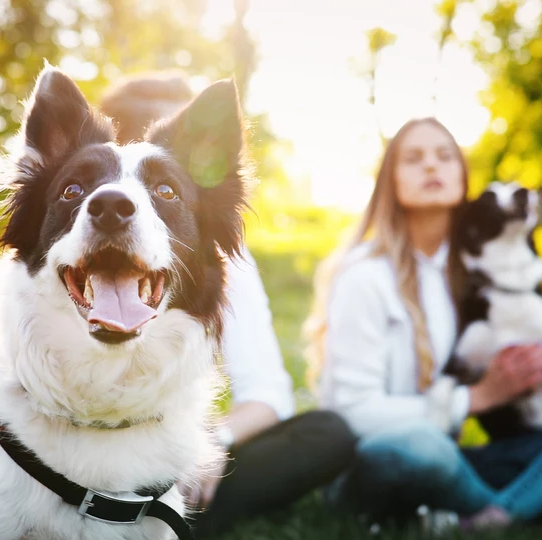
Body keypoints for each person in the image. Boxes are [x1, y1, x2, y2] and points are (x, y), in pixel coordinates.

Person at [304, 117, 542, 529]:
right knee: (423, 447)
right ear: (390, 182)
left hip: (447, 457)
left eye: (445, 156)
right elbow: (351, 415)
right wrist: (477, 398)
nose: (431, 166)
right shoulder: (365, 276)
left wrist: (527, 370)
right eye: (414, 158)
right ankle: (512, 505)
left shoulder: (465, 278)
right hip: (375, 463)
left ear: (463, 177)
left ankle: (489, 515)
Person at [99, 74, 357, 538]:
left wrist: (205, 446)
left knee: (326, 434)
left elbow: (267, 395)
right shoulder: (71, 241)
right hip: (77, 447)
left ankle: (164, 510)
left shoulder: (217, 258)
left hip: (182, 449)